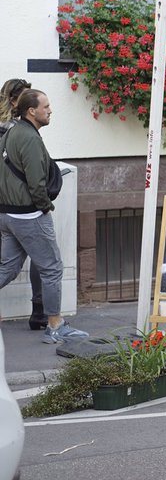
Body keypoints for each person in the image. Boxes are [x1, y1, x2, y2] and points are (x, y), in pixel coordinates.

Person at [0, 89, 87, 343]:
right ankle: (55, 325)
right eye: (46, 106)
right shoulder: (29, 138)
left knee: (7, 267)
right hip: (29, 216)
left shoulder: (9, 132)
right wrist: (45, 206)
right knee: (52, 269)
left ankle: (54, 323)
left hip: (6, 214)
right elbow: (36, 183)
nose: (50, 110)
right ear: (31, 111)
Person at [0, 78, 45, 330]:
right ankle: (41, 312)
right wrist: (43, 203)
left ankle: (40, 312)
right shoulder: (20, 130)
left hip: (5, 206)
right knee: (45, 261)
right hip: (20, 206)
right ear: (16, 101)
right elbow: (31, 171)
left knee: (7, 265)